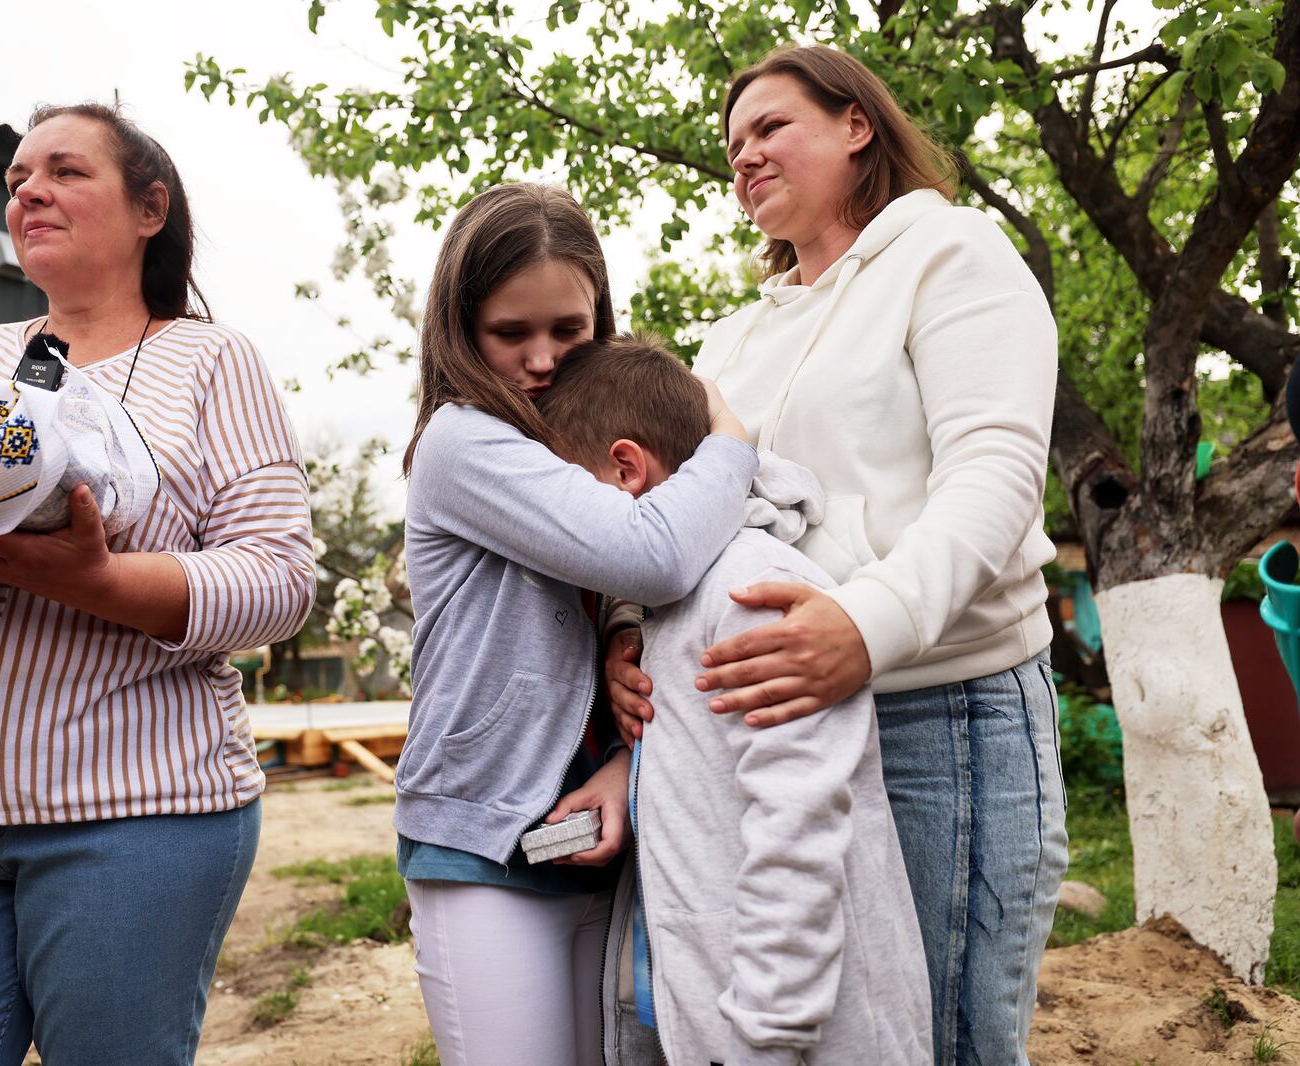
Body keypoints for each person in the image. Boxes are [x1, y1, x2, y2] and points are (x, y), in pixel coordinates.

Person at [0, 103, 315, 1064]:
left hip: (141, 827)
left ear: (150, 207)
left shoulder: (212, 361)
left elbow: (280, 580)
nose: (28, 190)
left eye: (66, 171)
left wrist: (95, 579)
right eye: (17, 179)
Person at [607, 46, 1066, 1065]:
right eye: (732, 147)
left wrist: (866, 626)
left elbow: (993, 474)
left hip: (938, 715)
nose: (744, 157)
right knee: (832, 1037)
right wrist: (627, 634)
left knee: (948, 1039)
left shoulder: (951, 254)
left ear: (856, 124)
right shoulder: (730, 341)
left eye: (770, 127)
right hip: (769, 733)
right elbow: (688, 515)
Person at [394, 183, 760, 1066]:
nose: (542, 358)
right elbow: (655, 555)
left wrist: (627, 757)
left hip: (598, 828)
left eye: (569, 331)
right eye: (510, 333)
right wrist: (731, 442)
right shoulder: (464, 443)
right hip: (484, 840)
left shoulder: (587, 444)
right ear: (458, 326)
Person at [537, 334, 931, 1066]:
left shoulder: (754, 591)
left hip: (795, 1040)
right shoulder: (669, 606)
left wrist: (766, 1032)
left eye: (570, 498)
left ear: (625, 469)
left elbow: (799, 824)